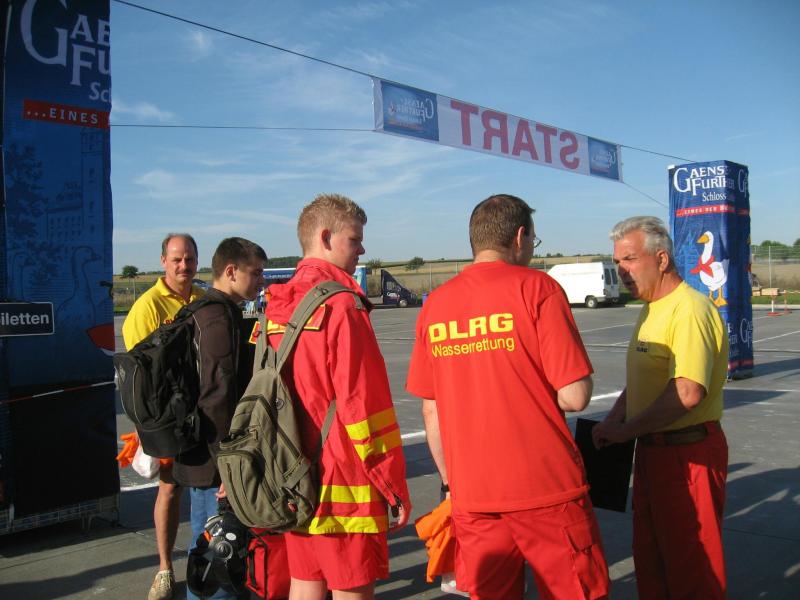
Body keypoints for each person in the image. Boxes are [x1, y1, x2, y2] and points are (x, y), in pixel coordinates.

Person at [406, 194, 610, 600]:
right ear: (520, 237)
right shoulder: (538, 288)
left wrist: (451, 484)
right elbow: (574, 396)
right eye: (534, 239)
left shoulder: (436, 304)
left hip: (473, 494)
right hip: (546, 488)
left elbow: (432, 409)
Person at [264, 193, 411, 600]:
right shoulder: (342, 306)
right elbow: (364, 406)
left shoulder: (276, 305)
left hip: (291, 475)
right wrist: (392, 484)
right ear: (326, 238)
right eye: (355, 239)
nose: (362, 249)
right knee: (351, 587)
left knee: (304, 583)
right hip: (343, 481)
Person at [592, 216, 729, 599]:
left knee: (692, 569)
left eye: (630, 259)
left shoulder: (690, 310)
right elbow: (644, 381)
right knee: (651, 561)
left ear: (662, 259)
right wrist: (614, 419)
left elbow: (686, 392)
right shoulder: (651, 307)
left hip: (688, 456)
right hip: (653, 453)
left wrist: (625, 431)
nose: (622, 270)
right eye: (617, 262)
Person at [171, 237, 268, 600]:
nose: (261, 280)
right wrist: (231, 467)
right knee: (220, 556)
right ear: (231, 271)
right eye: (255, 273)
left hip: (203, 458)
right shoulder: (216, 319)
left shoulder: (208, 311)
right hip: (215, 465)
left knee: (211, 551)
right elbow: (217, 400)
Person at [122, 233, 204, 600]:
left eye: (190, 259)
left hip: (204, 410)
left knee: (209, 486)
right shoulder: (148, 306)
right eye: (177, 259)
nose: (184, 266)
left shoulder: (203, 299)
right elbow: (142, 374)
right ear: (163, 262)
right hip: (170, 416)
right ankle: (165, 569)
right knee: (169, 488)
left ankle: (211, 564)